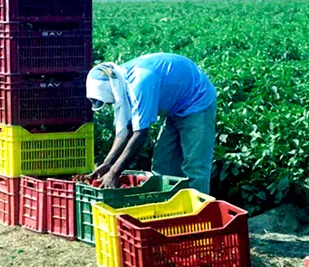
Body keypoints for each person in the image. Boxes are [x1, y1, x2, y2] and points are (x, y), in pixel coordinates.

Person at [86, 53, 217, 193]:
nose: (110, 104)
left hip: (197, 101)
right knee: (163, 162)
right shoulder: (120, 81)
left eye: (109, 101)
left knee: (195, 166)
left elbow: (140, 135)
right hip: (175, 108)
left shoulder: (139, 83)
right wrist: (107, 164)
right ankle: (169, 206)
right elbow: (125, 131)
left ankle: (199, 209)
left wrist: (114, 172)